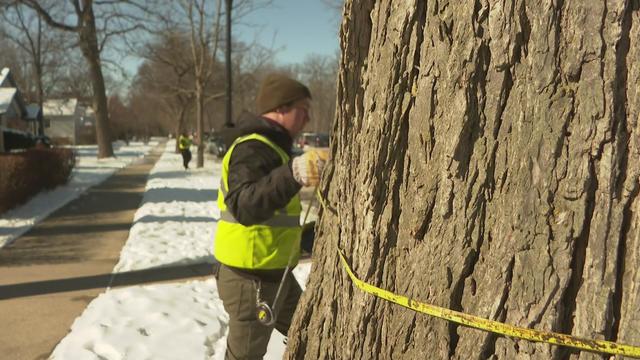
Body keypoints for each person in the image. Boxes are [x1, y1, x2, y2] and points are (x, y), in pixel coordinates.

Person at [214, 73, 328, 359]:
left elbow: (274, 221)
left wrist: (317, 234)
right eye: (303, 110)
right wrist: (295, 173)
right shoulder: (253, 147)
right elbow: (245, 205)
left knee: (312, 332)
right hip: (250, 283)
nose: (308, 119)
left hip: (275, 276)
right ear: (281, 108)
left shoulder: (273, 148)